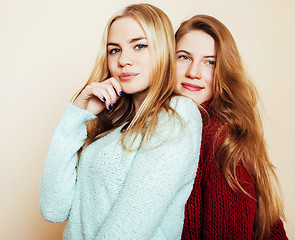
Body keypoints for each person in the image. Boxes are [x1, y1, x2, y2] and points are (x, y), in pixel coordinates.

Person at [39, 4, 202, 240]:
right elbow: (53, 208)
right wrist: (75, 115)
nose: (124, 60)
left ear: (164, 50)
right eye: (114, 50)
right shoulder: (113, 128)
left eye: (140, 46)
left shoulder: (178, 114)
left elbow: (129, 228)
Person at [174, 15, 288, 239]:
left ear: (224, 71)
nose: (193, 72)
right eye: (184, 57)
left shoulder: (219, 137)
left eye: (210, 62)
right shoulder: (170, 127)